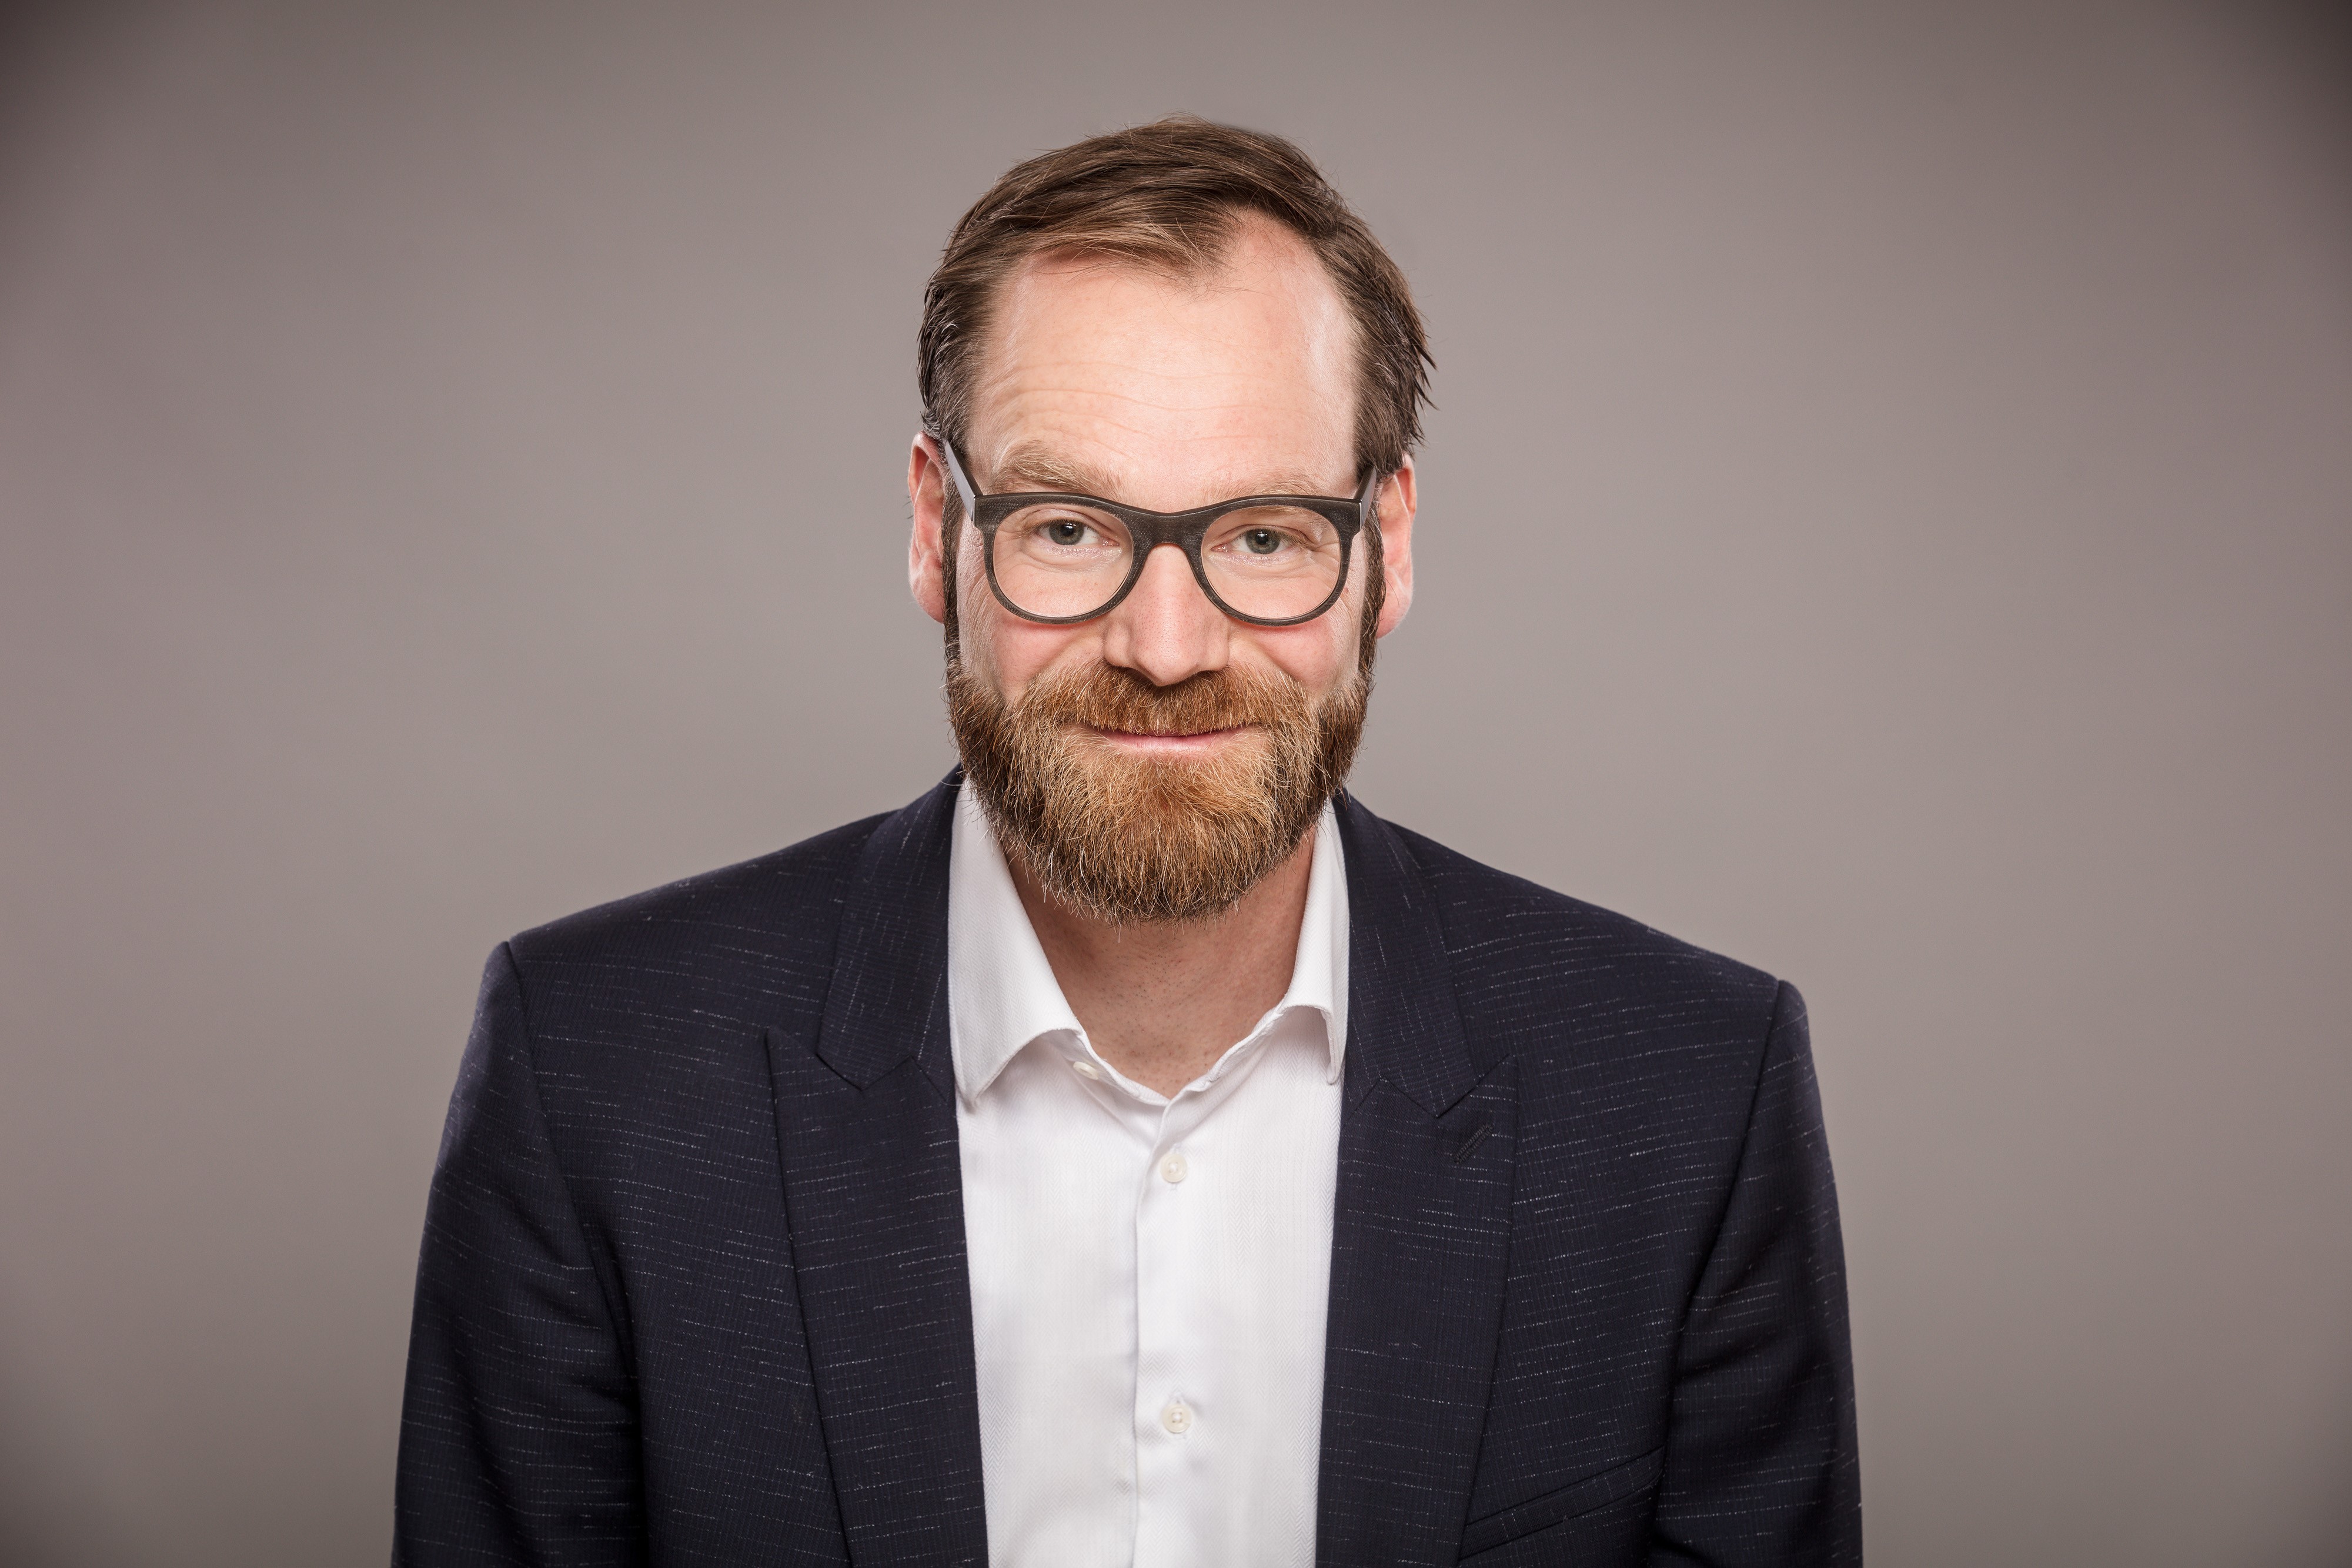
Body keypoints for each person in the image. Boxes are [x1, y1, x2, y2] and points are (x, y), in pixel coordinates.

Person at [395, 116, 1859, 1567]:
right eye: (1066, 527)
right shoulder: (590, 1071)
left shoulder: (1689, 1099)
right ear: (934, 529)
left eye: (1265, 536)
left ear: (1388, 548)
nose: (1165, 646)